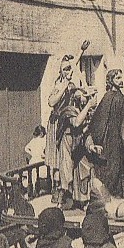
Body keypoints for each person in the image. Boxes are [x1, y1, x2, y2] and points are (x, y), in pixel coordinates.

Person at [47, 48, 86, 201]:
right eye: (66, 69)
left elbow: (73, 64)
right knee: (56, 160)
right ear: (61, 72)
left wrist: (81, 52)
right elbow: (51, 102)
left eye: (71, 69)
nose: (70, 71)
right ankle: (58, 190)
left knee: (67, 158)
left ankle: (68, 188)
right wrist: (64, 86)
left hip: (68, 122)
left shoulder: (71, 85)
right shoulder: (58, 85)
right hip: (57, 124)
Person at [55, 88, 99, 209]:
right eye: (83, 97)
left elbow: (85, 132)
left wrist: (91, 146)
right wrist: (89, 105)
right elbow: (76, 123)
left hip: (78, 146)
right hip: (67, 146)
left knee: (86, 169)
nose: (85, 100)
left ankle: (83, 200)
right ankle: (61, 203)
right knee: (67, 174)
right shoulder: (68, 111)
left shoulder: (82, 110)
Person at [90, 69, 124, 197]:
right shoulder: (109, 97)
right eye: (117, 78)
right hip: (111, 138)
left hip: (119, 136)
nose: (121, 80)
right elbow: (99, 119)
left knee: (118, 166)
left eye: (121, 77)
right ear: (111, 80)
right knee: (112, 167)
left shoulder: (120, 96)